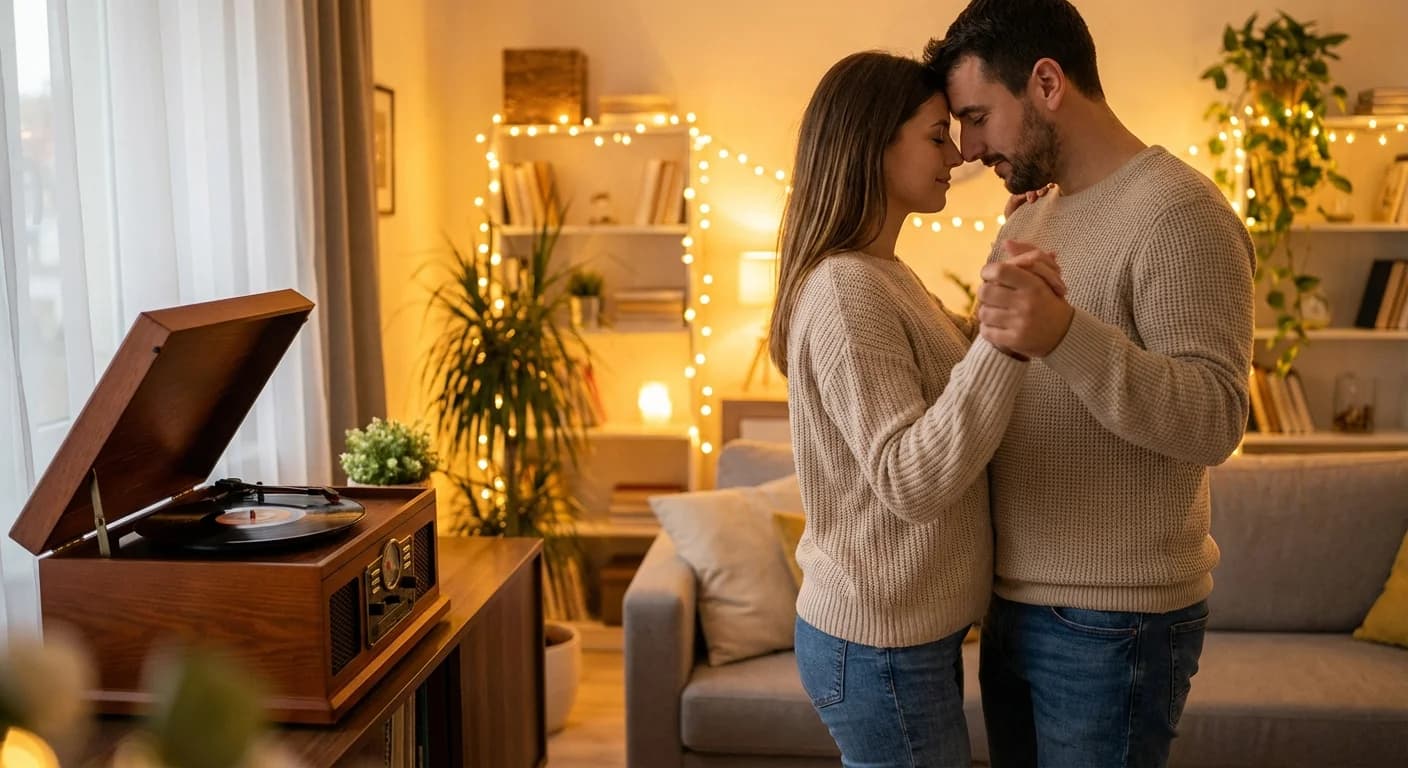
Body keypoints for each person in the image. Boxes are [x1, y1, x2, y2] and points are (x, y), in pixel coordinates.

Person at [923, 1, 1256, 766]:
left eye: (977, 117)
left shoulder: (1180, 214)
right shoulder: (1028, 221)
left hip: (1117, 621)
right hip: (1013, 604)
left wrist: (1066, 336)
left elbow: (1215, 419)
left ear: (1046, 82)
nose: (967, 149)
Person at [767, 51, 1064, 768]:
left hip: (897, 641)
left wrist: (1008, 251)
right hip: (878, 647)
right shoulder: (846, 291)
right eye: (937, 135)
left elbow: (955, 375)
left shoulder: (882, 273)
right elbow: (910, 479)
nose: (959, 155)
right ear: (873, 144)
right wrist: (1008, 339)